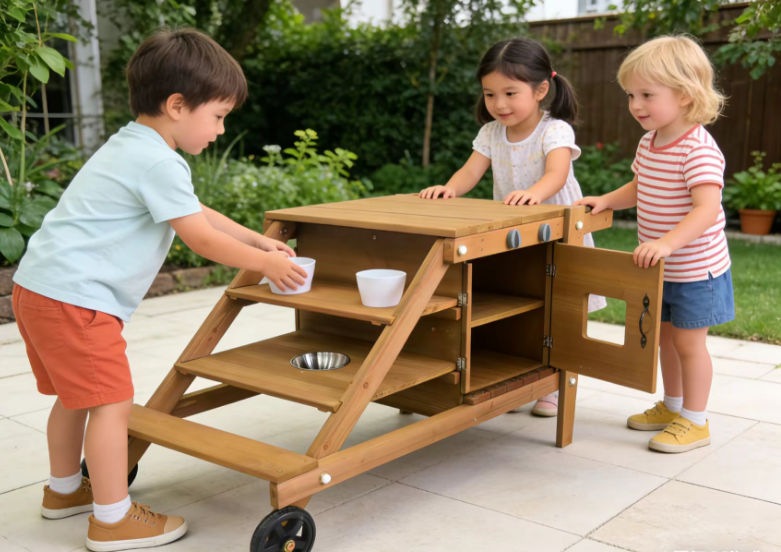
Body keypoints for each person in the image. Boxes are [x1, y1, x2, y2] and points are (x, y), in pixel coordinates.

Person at [12, 28, 307, 551]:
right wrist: (265, 263)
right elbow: (198, 237)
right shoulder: (157, 160)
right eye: (218, 116)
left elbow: (197, 214)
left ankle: (64, 491)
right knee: (111, 403)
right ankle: (112, 519)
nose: (220, 129)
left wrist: (256, 239)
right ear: (177, 105)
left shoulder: (133, 145)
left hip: (40, 289)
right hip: (79, 299)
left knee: (75, 398)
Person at [419, 37, 606, 416]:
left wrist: (533, 193)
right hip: (518, 233)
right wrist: (449, 188)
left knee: (560, 306)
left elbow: (557, 173)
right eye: (490, 94)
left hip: (560, 232)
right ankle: (521, 375)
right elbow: (471, 170)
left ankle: (554, 384)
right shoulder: (491, 133)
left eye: (509, 93)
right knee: (523, 303)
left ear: (540, 90)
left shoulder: (554, 130)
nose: (499, 104)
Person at [576, 35, 734, 453]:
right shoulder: (650, 143)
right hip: (664, 267)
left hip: (698, 270)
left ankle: (696, 421)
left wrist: (666, 242)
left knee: (688, 344)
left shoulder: (698, 149)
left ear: (684, 96)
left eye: (647, 94)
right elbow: (639, 186)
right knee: (664, 339)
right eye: (631, 95)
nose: (636, 105)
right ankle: (673, 405)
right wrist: (608, 200)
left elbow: (706, 209)